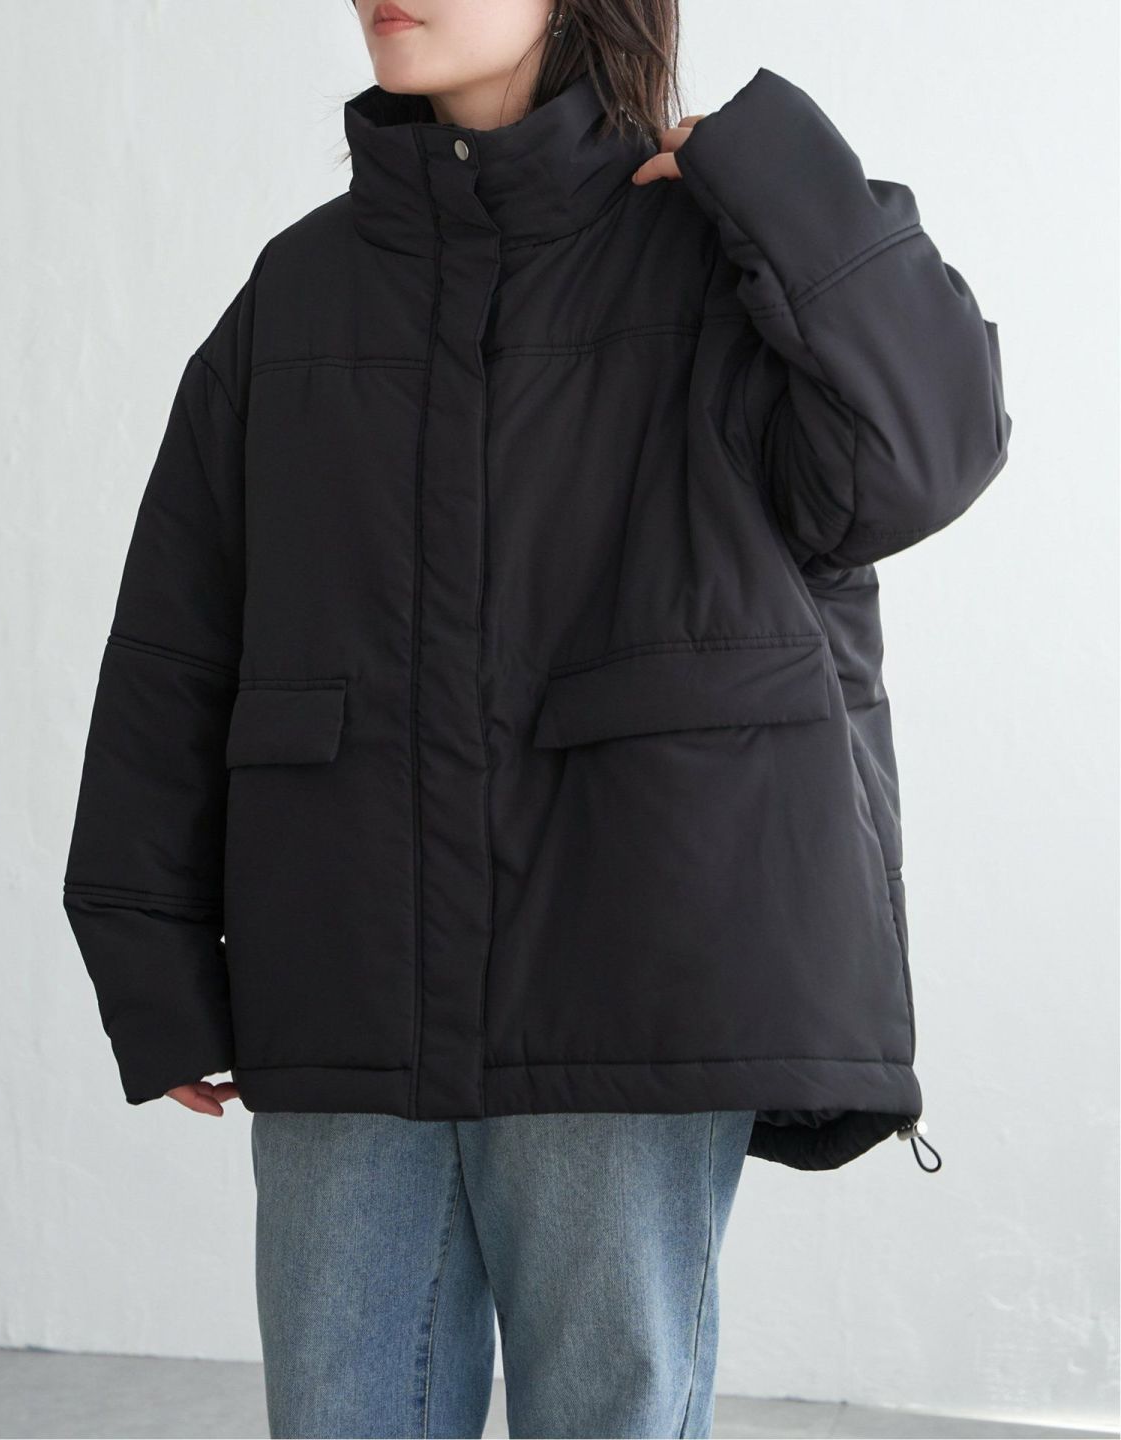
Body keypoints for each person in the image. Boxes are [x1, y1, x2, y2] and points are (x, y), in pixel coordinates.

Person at [62, 1, 1008, 1435]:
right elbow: (178, 643)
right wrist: (151, 949)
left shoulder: (719, 260)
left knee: (609, 1413)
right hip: (349, 970)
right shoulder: (300, 294)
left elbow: (930, 446)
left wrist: (773, 171)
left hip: (630, 977)